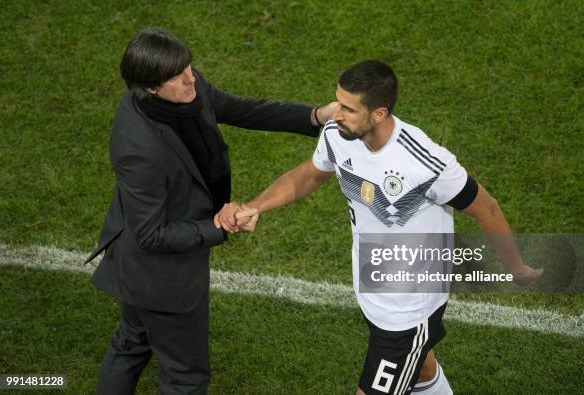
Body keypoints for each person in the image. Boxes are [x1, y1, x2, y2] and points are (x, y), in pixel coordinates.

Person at [218, 60, 542, 395]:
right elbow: (310, 175)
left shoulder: (425, 162)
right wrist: (255, 205)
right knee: (421, 370)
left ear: (379, 114)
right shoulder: (338, 133)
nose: (335, 113)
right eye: (337, 102)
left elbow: (486, 208)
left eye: (347, 108)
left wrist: (515, 267)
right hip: (374, 287)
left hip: (408, 309)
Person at [83, 27, 336, 394]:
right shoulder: (139, 149)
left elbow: (239, 108)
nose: (190, 79)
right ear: (151, 87)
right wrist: (218, 226)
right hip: (159, 275)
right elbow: (151, 235)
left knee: (131, 343)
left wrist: (314, 116)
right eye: (177, 76)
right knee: (185, 377)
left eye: (188, 67)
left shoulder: (184, 85)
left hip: (137, 269)